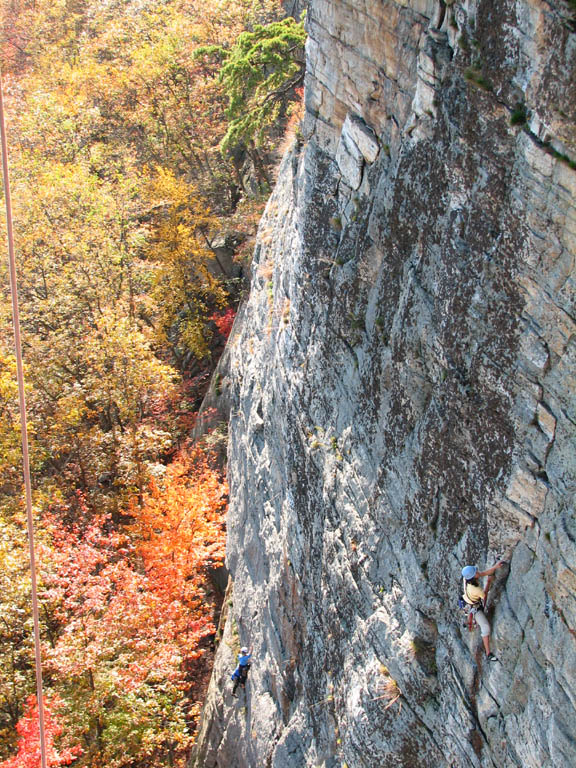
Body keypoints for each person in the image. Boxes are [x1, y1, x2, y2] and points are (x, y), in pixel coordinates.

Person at [461, 561, 506, 661]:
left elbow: (482, 574)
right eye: (475, 571)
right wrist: (489, 582)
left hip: (469, 603)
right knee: (486, 627)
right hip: (475, 609)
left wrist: (495, 567)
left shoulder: (467, 579)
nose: (477, 571)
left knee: (474, 614)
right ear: (473, 577)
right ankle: (488, 653)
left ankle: (470, 622)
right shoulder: (475, 589)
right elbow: (484, 595)